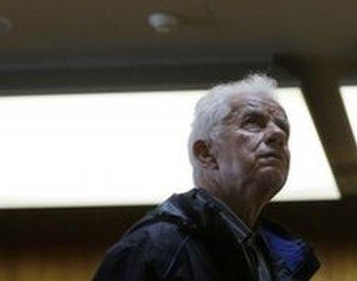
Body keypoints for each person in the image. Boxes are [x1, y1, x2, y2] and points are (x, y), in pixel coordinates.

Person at [93, 74, 320, 280]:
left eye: (283, 128)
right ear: (206, 153)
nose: (278, 134)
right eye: (252, 123)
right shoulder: (153, 249)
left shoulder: (279, 260)